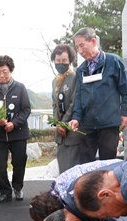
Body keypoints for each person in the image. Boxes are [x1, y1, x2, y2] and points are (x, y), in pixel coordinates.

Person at [69, 27, 127, 163]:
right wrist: (76, 118)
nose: (80, 51)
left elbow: (126, 89)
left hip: (109, 123)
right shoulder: (81, 70)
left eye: (82, 46)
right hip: (86, 125)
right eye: (77, 47)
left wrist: (126, 113)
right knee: (86, 164)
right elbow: (79, 98)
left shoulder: (114, 62)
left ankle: (106, 185)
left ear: (93, 42)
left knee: (108, 162)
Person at [0, 55, 31, 204]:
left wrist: (14, 123)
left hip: (18, 132)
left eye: (5, 71)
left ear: (11, 71)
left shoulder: (20, 87)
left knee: (19, 162)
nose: (1, 75)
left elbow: (26, 109)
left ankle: (17, 187)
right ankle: (5, 192)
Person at [50, 44, 80, 173]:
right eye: (57, 61)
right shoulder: (54, 81)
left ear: (70, 61)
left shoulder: (74, 77)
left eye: (64, 61)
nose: (60, 63)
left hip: (72, 130)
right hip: (60, 133)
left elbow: (74, 103)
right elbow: (55, 105)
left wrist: (64, 123)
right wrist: (57, 123)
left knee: (72, 169)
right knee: (62, 169)